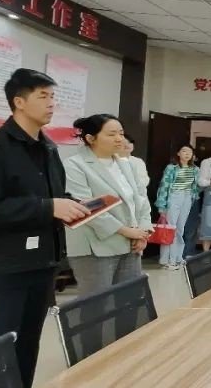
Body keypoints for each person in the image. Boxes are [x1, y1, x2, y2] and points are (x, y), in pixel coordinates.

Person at [0, 69, 90, 387]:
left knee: (26, 348)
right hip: (2, 271)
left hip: (41, 265)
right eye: (43, 96)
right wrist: (49, 207)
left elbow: (49, 196)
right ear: (19, 102)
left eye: (53, 96)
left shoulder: (48, 149)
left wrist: (70, 206)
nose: (52, 103)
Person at [64, 114, 154, 295]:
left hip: (131, 244)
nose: (119, 139)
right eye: (112, 134)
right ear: (91, 138)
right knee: (98, 304)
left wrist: (143, 231)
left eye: (121, 133)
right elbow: (85, 208)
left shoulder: (126, 165)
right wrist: (127, 231)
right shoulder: (74, 165)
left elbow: (141, 200)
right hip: (95, 247)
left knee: (129, 301)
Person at [155, 145, 199, 270]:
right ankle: (168, 259)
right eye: (184, 151)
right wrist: (162, 206)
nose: (187, 154)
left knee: (180, 229)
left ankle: (178, 257)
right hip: (174, 196)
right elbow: (164, 186)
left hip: (187, 197)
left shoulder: (195, 169)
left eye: (190, 152)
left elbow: (195, 187)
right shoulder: (171, 168)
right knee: (171, 228)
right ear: (178, 153)